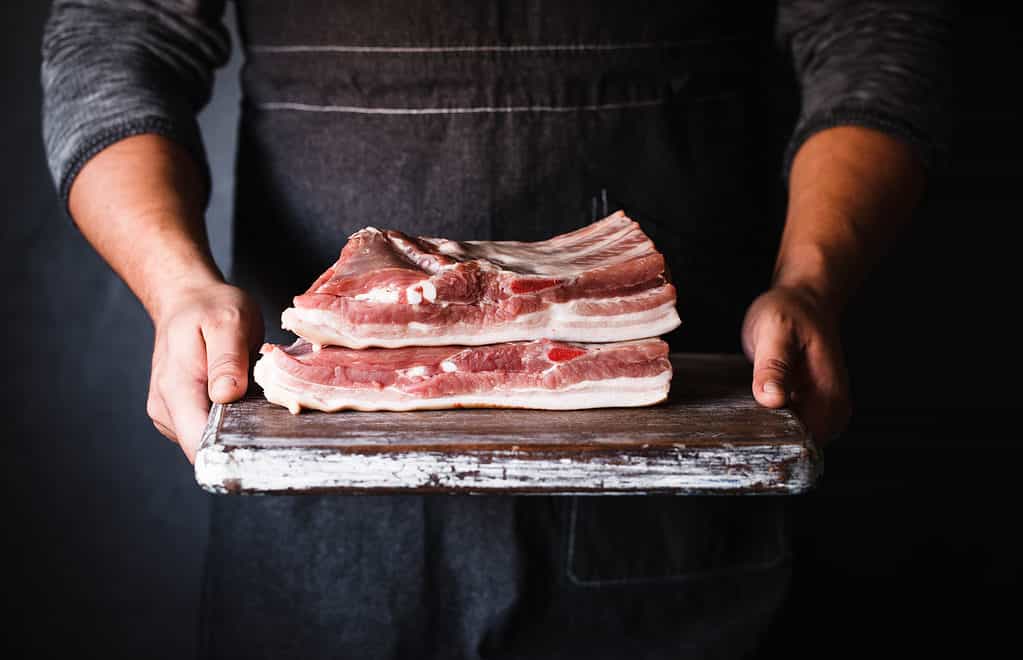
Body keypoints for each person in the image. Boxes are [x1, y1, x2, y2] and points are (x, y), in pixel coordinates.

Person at [41, 1, 949, 657]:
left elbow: (874, 29)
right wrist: (177, 287)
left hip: (676, 430)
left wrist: (812, 281)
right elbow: (116, 35)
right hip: (320, 450)